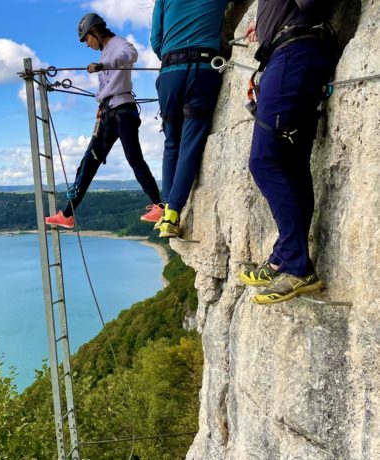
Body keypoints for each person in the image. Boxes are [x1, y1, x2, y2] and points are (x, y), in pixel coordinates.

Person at [238, 1, 337, 304]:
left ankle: (297, 266)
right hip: (294, 51)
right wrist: (267, 24)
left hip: (294, 54)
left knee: (264, 161)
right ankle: (284, 257)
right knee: (291, 165)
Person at [45, 13, 163, 229]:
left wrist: (102, 66)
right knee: (91, 163)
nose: (87, 44)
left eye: (87, 39)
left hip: (120, 112)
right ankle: (68, 214)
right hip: (112, 112)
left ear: (95, 32)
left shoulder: (117, 44)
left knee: (129, 159)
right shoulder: (106, 52)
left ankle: (158, 206)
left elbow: (132, 54)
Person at [149, 0, 240, 238]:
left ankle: (167, 208)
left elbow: (156, 41)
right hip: (202, 69)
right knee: (190, 144)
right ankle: (172, 214)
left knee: (171, 144)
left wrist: (172, 52)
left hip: (170, 73)